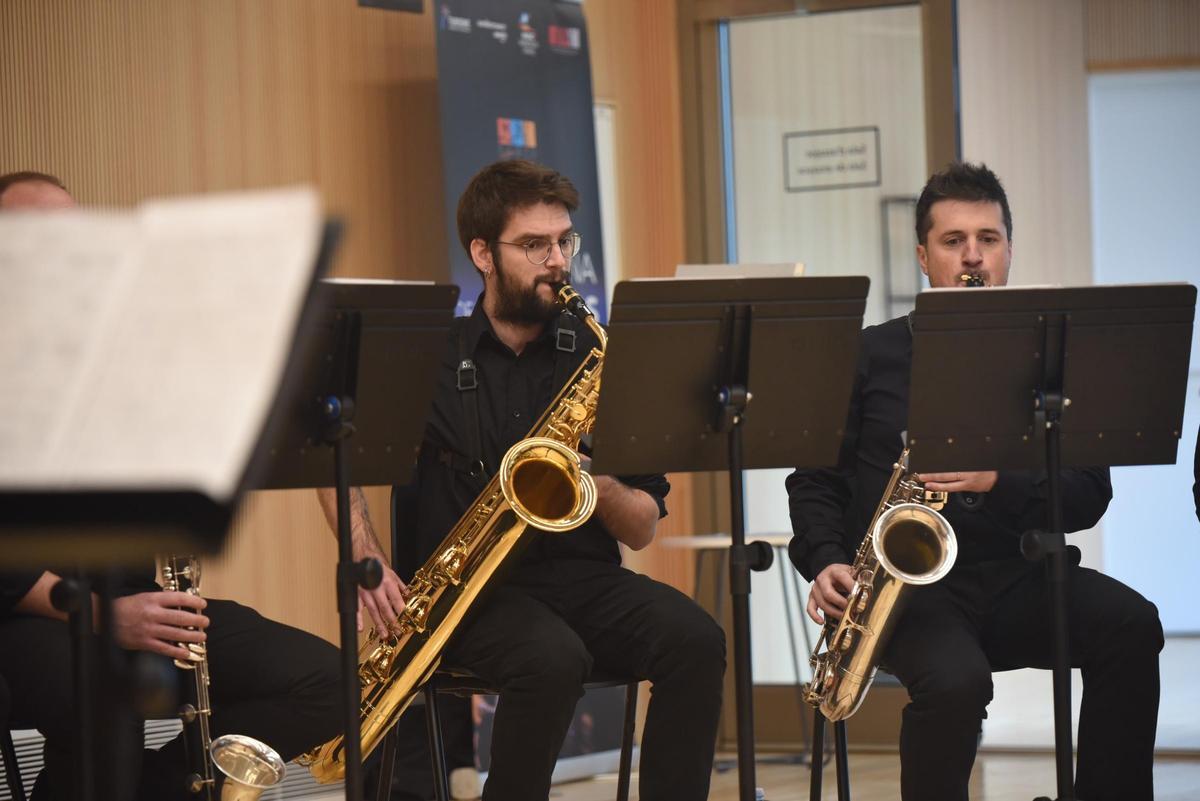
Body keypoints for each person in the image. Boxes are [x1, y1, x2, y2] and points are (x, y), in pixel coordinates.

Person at [321, 159, 725, 801]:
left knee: (697, 639)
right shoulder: (428, 353)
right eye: (534, 245)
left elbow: (644, 526)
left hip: (583, 578)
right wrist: (365, 553)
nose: (557, 260)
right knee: (551, 658)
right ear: (482, 253)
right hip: (469, 593)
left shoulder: (602, 358)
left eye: (564, 241)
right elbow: (334, 452)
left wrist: (588, 477)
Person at [786, 162, 1163, 801]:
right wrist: (823, 559)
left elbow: (1089, 494)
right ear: (923, 257)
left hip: (1019, 577)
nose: (972, 256)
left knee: (1132, 625)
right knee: (957, 683)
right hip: (910, 595)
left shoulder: (1052, 357)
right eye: (953, 240)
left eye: (988, 239)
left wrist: (1000, 481)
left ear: (1009, 250)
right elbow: (816, 480)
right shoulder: (869, 354)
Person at [0, 171, 343, 800]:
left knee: (329, 680)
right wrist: (106, 616)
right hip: (23, 619)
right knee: (109, 702)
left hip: (130, 598)